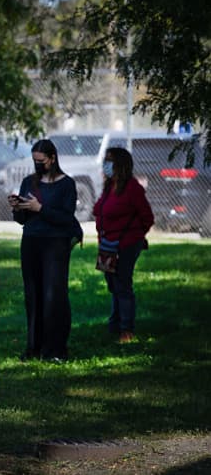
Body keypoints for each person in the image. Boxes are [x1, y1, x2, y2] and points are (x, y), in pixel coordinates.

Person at [9, 138, 80, 362]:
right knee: (33, 295)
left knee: (54, 296)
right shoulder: (29, 182)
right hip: (31, 241)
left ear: (52, 158)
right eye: (34, 161)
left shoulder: (66, 184)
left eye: (41, 161)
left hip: (55, 244)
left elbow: (66, 219)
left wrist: (40, 208)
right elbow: (22, 220)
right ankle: (34, 347)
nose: (38, 165)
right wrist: (18, 207)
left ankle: (55, 349)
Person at [92, 147, 154, 344]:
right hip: (108, 245)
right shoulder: (109, 187)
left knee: (122, 284)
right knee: (113, 284)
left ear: (121, 165)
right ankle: (115, 323)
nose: (106, 165)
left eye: (110, 161)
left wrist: (131, 239)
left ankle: (126, 329)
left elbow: (147, 218)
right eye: (105, 160)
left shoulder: (132, 188)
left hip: (125, 245)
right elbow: (99, 211)